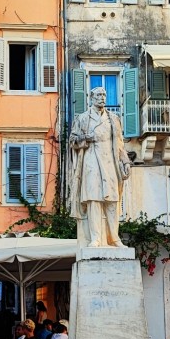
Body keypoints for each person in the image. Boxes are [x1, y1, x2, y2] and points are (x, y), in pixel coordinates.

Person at [69, 86, 132, 247]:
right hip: (91, 162)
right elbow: (72, 141)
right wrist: (85, 138)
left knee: (112, 201)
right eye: (98, 95)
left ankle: (114, 238)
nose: (102, 97)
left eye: (104, 94)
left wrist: (125, 162)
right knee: (94, 200)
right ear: (91, 98)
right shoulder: (83, 118)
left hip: (110, 162)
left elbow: (119, 144)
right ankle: (95, 238)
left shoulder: (114, 119)